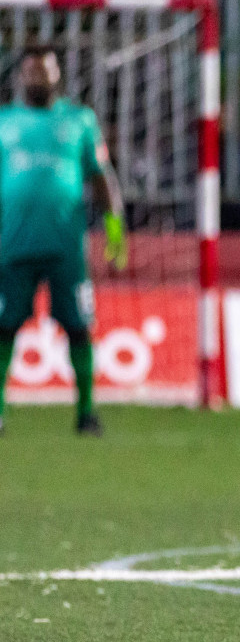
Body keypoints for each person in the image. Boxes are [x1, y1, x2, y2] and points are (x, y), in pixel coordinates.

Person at [0, 45, 126, 436]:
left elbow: (101, 176)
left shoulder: (79, 121)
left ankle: (87, 413)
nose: (39, 78)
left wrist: (115, 226)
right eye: (32, 72)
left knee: (78, 327)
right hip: (11, 246)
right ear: (20, 77)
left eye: (46, 71)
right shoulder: (4, 121)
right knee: (2, 328)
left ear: (58, 76)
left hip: (66, 248)